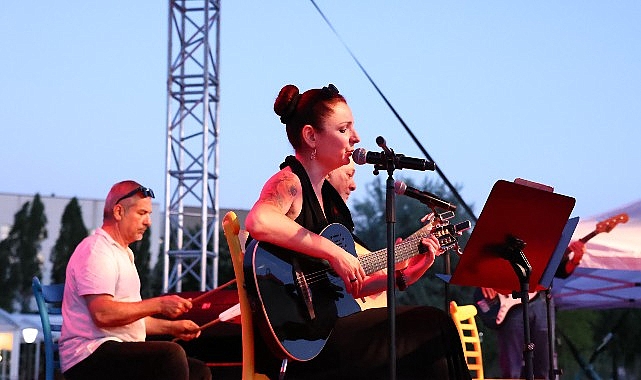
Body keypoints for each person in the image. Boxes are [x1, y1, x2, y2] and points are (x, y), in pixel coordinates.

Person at [244, 83, 471, 380]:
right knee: (431, 323)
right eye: (343, 129)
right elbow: (258, 221)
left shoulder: (332, 200)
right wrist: (334, 252)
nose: (356, 137)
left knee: (430, 331)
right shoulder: (290, 183)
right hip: (302, 341)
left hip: (331, 330)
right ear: (311, 135)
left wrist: (404, 276)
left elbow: (353, 287)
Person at [59, 180, 212, 380]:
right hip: (88, 356)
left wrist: (172, 327)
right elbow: (103, 314)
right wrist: (159, 304)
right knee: (170, 355)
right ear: (119, 212)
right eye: (142, 213)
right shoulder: (97, 251)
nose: (148, 221)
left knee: (199, 371)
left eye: (149, 214)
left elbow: (129, 318)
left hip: (114, 348)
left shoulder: (124, 254)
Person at [479, 240, 586, 379]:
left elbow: (561, 270)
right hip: (508, 300)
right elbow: (484, 256)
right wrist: (484, 279)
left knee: (546, 360)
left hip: (541, 299)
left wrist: (576, 259)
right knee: (511, 362)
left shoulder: (548, 233)